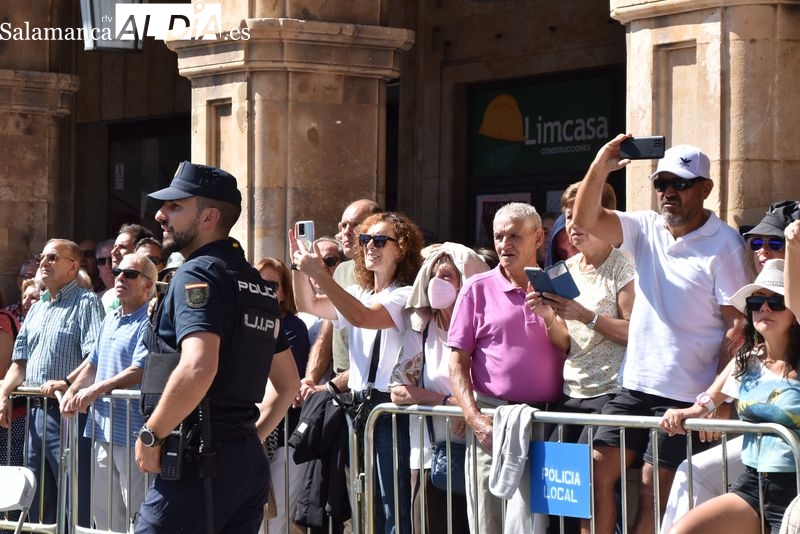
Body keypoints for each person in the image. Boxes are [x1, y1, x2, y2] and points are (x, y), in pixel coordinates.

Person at [572, 136, 750, 534]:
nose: (669, 193)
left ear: (705, 188)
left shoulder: (726, 245)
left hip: (685, 395)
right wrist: (601, 164)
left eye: (680, 184)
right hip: (635, 386)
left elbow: (736, 328)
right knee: (593, 471)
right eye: (661, 184)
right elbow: (584, 219)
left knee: (655, 493)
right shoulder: (645, 227)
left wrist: (715, 402)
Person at [133, 161, 299, 533]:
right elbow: (288, 384)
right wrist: (247, 439)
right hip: (240, 463)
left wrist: (152, 433)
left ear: (209, 216)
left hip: (199, 463)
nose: (160, 215)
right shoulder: (255, 282)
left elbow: (198, 367)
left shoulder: (199, 272)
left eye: (176, 206)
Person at [660, 200, 800, 533]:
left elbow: (797, 302)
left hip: (795, 491)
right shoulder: (748, 358)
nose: (764, 308)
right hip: (753, 485)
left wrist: (793, 246)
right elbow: (712, 396)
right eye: (755, 302)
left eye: (775, 302)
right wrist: (690, 412)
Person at [291, 211, 423, 534]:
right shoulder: (362, 293)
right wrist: (298, 264)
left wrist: (320, 275)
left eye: (380, 240)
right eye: (365, 240)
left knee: (393, 504)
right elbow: (307, 304)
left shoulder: (403, 295)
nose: (369, 247)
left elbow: (363, 317)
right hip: (360, 408)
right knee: (366, 505)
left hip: (389, 410)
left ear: (401, 248)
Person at [448, 202, 570, 533]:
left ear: (538, 237)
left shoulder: (560, 284)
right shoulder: (477, 288)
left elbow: (571, 345)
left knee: (544, 525)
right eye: (499, 236)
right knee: (489, 524)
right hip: (493, 423)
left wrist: (549, 314)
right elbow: (456, 361)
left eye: (515, 235)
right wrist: (473, 418)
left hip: (550, 424)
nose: (505, 244)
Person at [0, 239, 105, 525]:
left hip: (69, 414)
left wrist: (67, 383)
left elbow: (95, 357)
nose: (43, 263)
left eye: (53, 257)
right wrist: (3, 393)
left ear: (73, 267)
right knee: (36, 502)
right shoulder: (36, 309)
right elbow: (19, 363)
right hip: (35, 413)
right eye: (42, 257)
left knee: (74, 500)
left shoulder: (86, 302)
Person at [396, 242, 489, 534]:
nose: (438, 282)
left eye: (448, 275)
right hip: (430, 455)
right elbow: (399, 390)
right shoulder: (420, 330)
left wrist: (471, 412)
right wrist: (454, 404)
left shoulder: (485, 328)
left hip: (481, 452)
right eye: (434, 274)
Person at [60, 252, 157, 531]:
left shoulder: (150, 321)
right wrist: (73, 389)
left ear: (148, 285)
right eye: (117, 272)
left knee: (138, 514)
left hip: (133, 432)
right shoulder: (111, 318)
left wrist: (94, 391)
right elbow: (93, 363)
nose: (120, 278)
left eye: (130, 274)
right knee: (104, 516)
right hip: (101, 430)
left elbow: (139, 370)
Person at [546, 182, 635, 445]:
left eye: (581, 215)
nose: (573, 224)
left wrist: (587, 316)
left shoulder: (624, 264)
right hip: (571, 389)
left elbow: (634, 332)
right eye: (569, 216)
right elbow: (565, 342)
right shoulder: (565, 268)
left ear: (604, 217)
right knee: (557, 476)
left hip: (611, 393)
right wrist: (547, 316)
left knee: (592, 475)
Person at [296, 199, 381, 404]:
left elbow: (366, 324)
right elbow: (325, 334)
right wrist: (309, 380)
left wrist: (330, 386)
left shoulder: (386, 274)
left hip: (374, 391)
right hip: (341, 390)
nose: (347, 231)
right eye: (343, 225)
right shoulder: (342, 270)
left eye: (355, 224)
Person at [255, 257, 310, 534]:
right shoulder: (245, 324)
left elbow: (287, 380)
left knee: (274, 522)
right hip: (254, 434)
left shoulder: (293, 327)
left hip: (285, 438)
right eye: (258, 283)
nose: (265, 289)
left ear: (284, 292)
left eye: (272, 285)